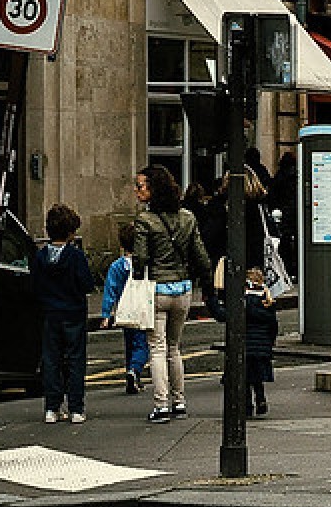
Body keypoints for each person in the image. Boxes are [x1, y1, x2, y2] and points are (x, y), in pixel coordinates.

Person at [132, 164, 213, 424]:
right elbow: (200, 256)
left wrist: (136, 273)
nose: (137, 191)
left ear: (153, 189)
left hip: (157, 289)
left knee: (156, 348)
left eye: (141, 186)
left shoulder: (145, 220)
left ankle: (161, 404)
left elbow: (141, 258)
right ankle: (179, 401)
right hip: (183, 289)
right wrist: (208, 285)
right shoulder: (188, 217)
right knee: (174, 348)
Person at [32, 203, 96, 424]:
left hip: (50, 313)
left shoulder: (40, 257)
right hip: (74, 313)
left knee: (52, 360)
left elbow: (35, 285)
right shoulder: (75, 257)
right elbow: (87, 284)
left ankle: (52, 408)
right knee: (75, 360)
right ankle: (76, 408)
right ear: (71, 232)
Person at [100, 222, 149, 395]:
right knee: (142, 345)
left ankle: (132, 375)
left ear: (121, 245)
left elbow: (109, 290)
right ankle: (134, 370)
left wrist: (106, 314)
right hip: (142, 309)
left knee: (130, 343)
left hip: (124, 310)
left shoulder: (116, 266)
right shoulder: (144, 264)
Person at [243, 267, 279, 416]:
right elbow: (273, 326)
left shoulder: (245, 302)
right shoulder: (267, 302)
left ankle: (247, 406)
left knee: (245, 377)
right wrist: (270, 343)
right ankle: (260, 398)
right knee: (257, 378)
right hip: (262, 346)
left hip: (246, 345)